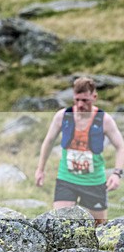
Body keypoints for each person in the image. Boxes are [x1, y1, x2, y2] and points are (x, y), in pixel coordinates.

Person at [35, 76, 124, 225]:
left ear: (94, 97)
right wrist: (40, 169)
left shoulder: (104, 120)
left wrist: (117, 174)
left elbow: (121, 146)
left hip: (94, 182)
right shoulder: (62, 117)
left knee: (99, 228)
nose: (80, 104)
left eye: (85, 100)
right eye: (77, 100)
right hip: (66, 179)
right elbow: (48, 141)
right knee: (60, 224)